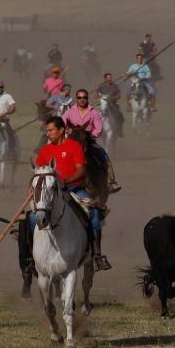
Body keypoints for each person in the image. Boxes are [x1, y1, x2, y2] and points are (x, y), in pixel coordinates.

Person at [33, 116, 111, 271]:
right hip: (49, 193)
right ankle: (31, 256)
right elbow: (39, 173)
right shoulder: (46, 150)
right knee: (30, 217)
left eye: (50, 130)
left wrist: (65, 181)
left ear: (61, 130)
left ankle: (97, 255)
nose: (47, 134)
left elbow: (81, 170)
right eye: (46, 131)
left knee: (94, 213)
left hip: (74, 189)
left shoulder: (74, 146)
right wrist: (33, 188)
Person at [62, 88, 121, 193]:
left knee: (103, 154)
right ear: (76, 99)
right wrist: (67, 130)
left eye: (84, 97)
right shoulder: (70, 112)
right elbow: (62, 123)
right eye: (80, 97)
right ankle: (56, 180)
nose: (82, 100)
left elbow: (99, 128)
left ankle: (111, 181)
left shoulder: (94, 112)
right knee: (60, 155)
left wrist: (91, 135)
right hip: (73, 141)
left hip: (88, 140)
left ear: (87, 99)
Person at [96, 72, 124, 138]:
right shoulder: (101, 86)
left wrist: (112, 98)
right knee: (93, 115)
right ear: (105, 78)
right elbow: (97, 96)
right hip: (102, 104)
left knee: (120, 116)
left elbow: (119, 96)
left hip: (112, 104)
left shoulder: (115, 86)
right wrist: (99, 99)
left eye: (110, 78)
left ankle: (119, 131)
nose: (110, 79)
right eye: (108, 78)